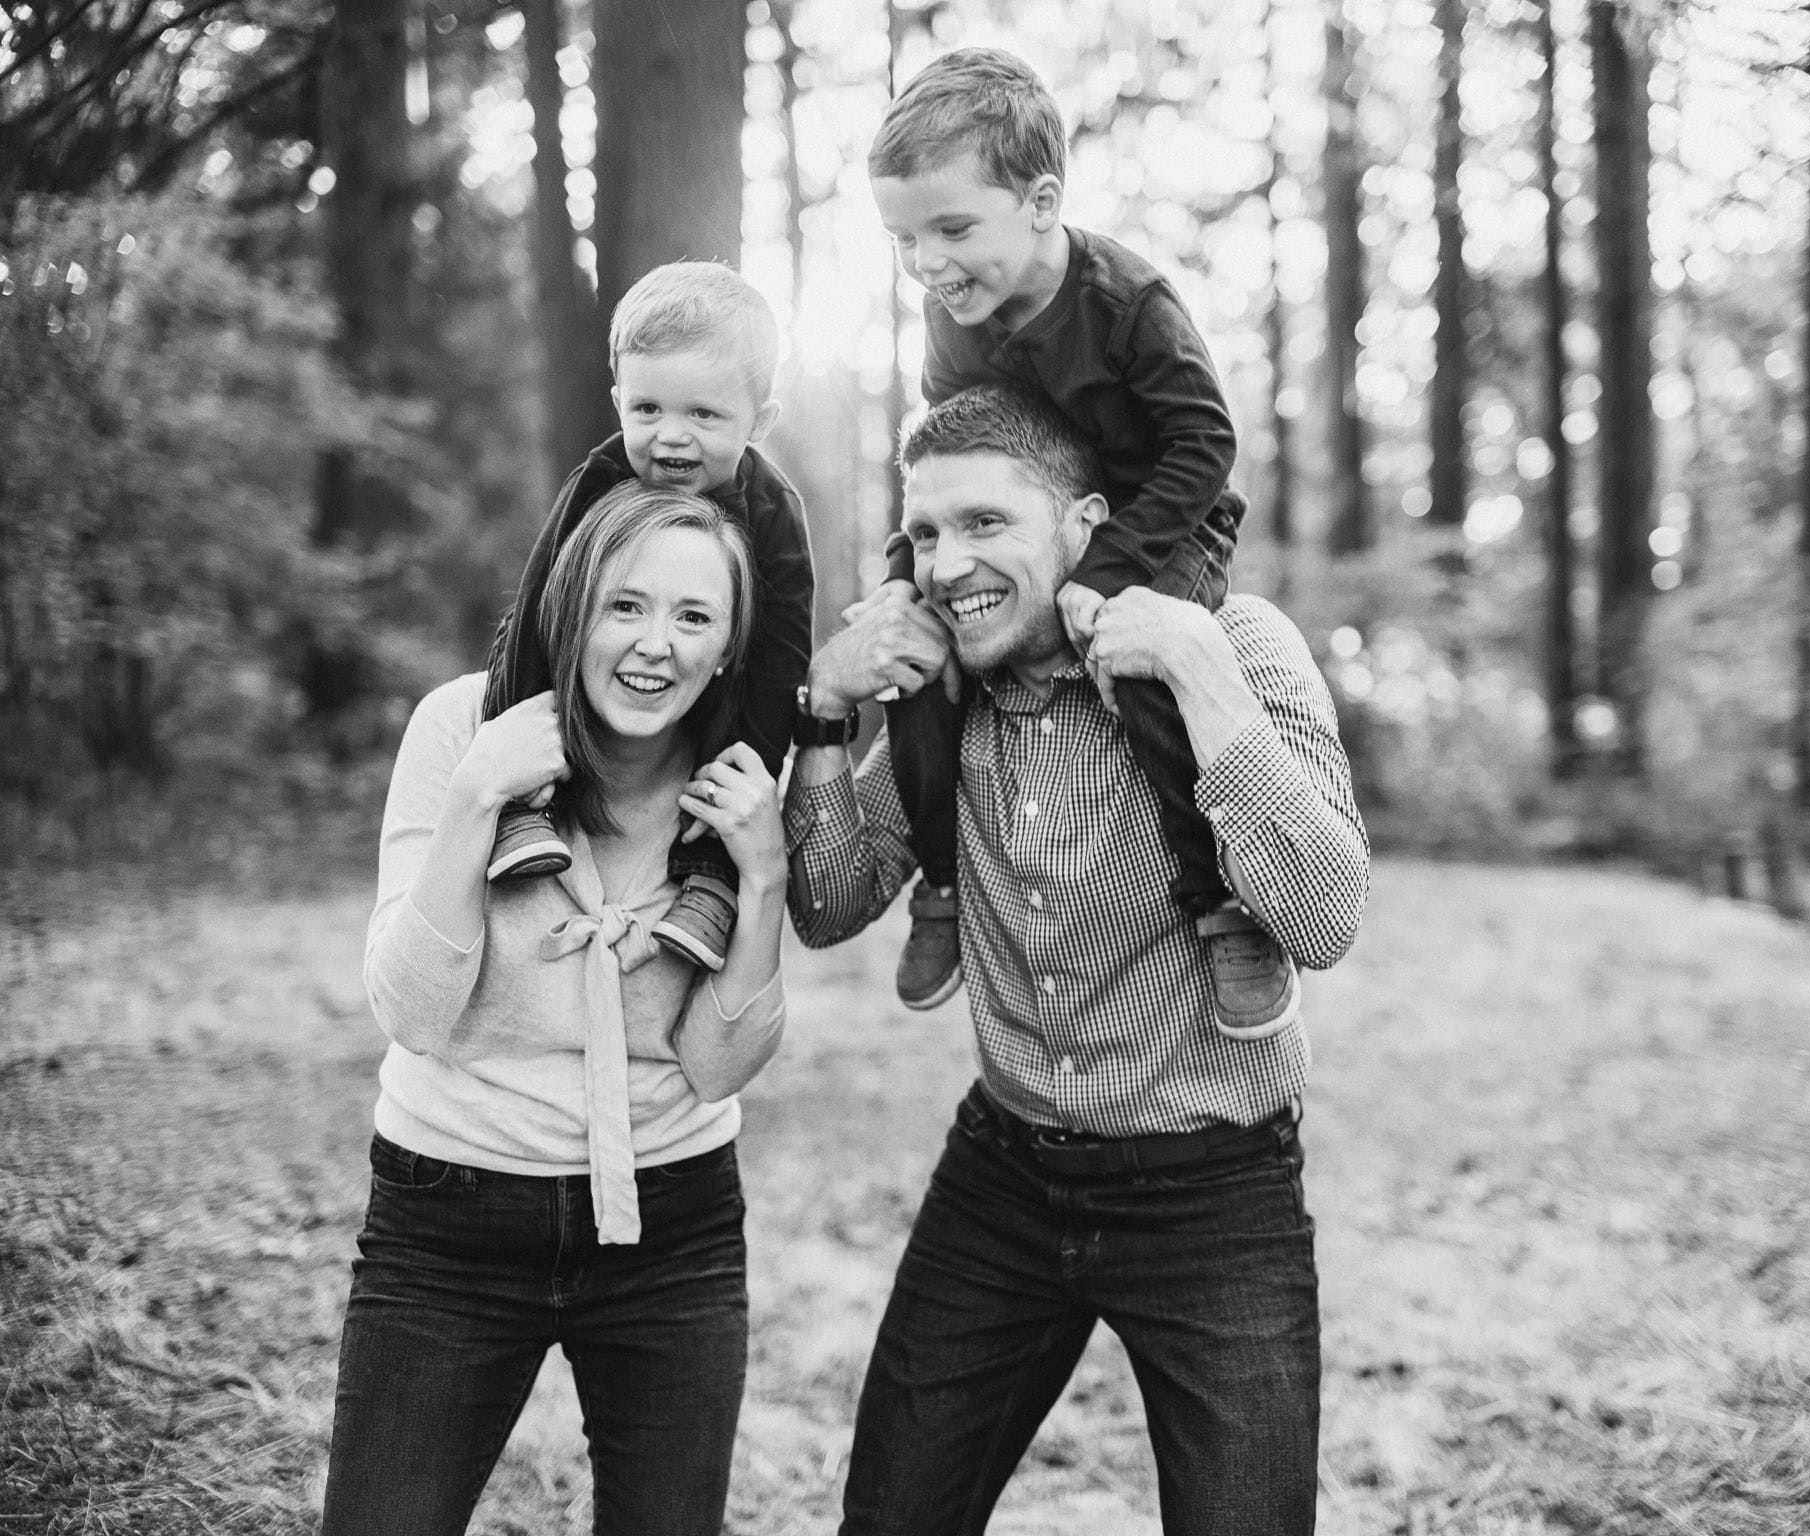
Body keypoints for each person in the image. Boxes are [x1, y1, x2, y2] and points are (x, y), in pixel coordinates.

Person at [784, 385, 1368, 1536]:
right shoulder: (943, 696)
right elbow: (826, 902)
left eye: (984, 523)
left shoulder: (1238, 643)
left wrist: (1197, 675)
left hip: (1214, 1194)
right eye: (925, 533)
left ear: (1083, 524)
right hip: (1001, 1182)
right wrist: (822, 711)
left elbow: (1323, 917)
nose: (946, 565)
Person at [322, 483, 790, 1536]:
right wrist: (476, 797)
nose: (655, 645)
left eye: (693, 616)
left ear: (728, 649)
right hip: (449, 1217)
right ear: (570, 609)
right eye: (625, 605)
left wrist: (762, 877)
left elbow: (718, 1065)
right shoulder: (462, 725)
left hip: (672, 1227)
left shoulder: (739, 783)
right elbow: (411, 1011)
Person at [863, 48, 1293, 1036]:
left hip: (1163, 525)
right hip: (1033, 530)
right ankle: (942, 882)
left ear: (1041, 203)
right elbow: (946, 454)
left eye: (952, 229)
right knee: (917, 653)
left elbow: (1205, 444)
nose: (927, 263)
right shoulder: (951, 317)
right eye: (904, 239)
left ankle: (1219, 902)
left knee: (1136, 661)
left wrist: (1107, 573)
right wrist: (899, 578)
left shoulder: (1127, 305)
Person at [482, 261, 813, 977]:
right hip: (585, 668)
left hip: (718, 675)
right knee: (520, 627)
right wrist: (511, 732)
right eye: (648, 410)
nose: (672, 438)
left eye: (704, 415)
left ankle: (710, 877)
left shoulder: (774, 512)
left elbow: (783, 652)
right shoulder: (601, 477)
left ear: (759, 421)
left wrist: (751, 773)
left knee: (750, 690)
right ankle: (523, 812)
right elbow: (541, 601)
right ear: (619, 402)